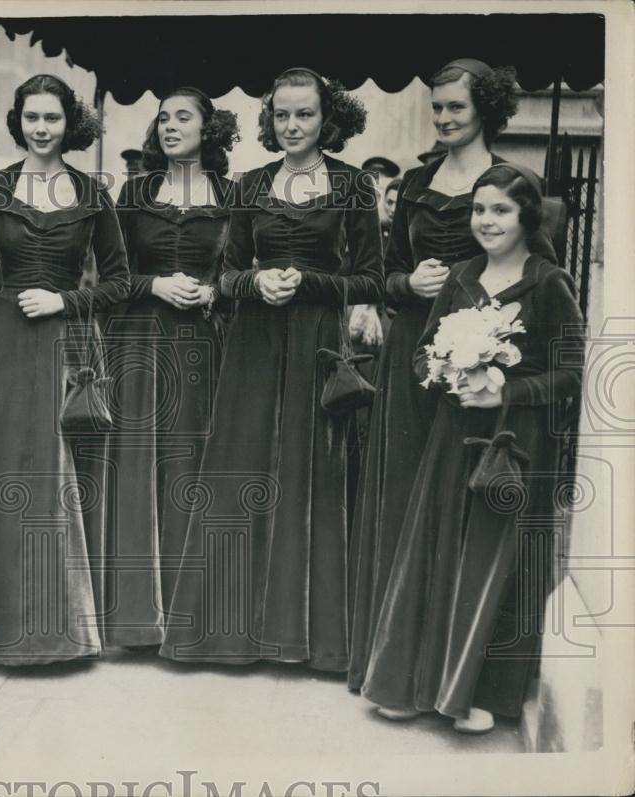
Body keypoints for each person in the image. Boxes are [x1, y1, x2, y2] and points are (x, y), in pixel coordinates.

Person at [159, 68, 382, 668]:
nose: (291, 126)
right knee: (242, 471)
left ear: (326, 119)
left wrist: (308, 282)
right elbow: (224, 277)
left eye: (303, 114)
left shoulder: (354, 186)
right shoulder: (249, 184)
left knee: (313, 474)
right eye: (282, 115)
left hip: (319, 345)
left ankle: (314, 641)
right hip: (254, 346)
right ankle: (225, 634)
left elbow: (371, 277)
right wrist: (254, 280)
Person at [347, 58, 557, 693]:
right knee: (400, 503)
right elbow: (380, 272)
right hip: (414, 349)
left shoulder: (514, 187)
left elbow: (535, 278)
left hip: (479, 368)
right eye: (436, 107)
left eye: (455, 108)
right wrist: (405, 284)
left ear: (485, 110)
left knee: (454, 509)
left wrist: (494, 352)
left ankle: (446, 669)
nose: (443, 118)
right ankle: (390, 662)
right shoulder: (412, 184)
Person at [361, 163, 585, 733]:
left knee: (493, 563)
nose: (486, 221)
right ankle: (414, 684)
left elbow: (571, 372)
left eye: (500, 210)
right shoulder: (460, 276)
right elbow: (420, 356)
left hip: (514, 444)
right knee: (437, 551)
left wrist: (506, 391)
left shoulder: (547, 282)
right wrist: (444, 373)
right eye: (479, 210)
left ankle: (483, 692)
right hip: (450, 436)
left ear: (527, 216)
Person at [0, 74, 130, 665]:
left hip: (71, 346)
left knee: (63, 481)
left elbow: (119, 283)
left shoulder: (92, 193)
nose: (40, 128)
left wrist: (64, 301)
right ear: (19, 121)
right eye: (31, 117)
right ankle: (7, 630)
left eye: (52, 119)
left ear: (69, 124)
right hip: (6, 344)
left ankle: (66, 633)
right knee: (9, 477)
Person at [104, 88, 239, 646]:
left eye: (183, 117)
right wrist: (154, 283)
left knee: (192, 470)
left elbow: (242, 273)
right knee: (137, 470)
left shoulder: (235, 195)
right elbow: (108, 277)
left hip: (202, 348)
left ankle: (189, 617)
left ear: (209, 129)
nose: (169, 126)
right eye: (162, 118)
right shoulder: (134, 193)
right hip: (138, 343)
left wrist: (214, 294)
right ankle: (136, 619)